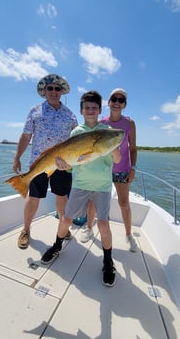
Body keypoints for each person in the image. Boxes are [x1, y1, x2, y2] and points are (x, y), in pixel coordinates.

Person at [41, 90, 121, 287]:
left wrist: (114, 146)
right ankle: (57, 246)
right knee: (66, 218)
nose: (91, 111)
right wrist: (64, 165)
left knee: (103, 224)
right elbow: (72, 163)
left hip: (102, 185)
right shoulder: (76, 132)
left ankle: (108, 261)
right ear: (82, 110)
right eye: (87, 108)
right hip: (80, 184)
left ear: (99, 110)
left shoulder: (108, 131)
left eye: (94, 108)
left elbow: (118, 160)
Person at [13, 74, 78, 249]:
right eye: (50, 88)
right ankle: (26, 230)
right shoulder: (35, 111)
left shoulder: (70, 115)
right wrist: (17, 157)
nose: (54, 92)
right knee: (33, 197)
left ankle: (63, 228)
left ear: (62, 92)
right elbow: (26, 136)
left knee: (62, 197)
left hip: (63, 165)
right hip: (39, 163)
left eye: (58, 89)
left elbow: (76, 141)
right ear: (44, 91)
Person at [80, 88, 138, 252]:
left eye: (121, 100)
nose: (117, 103)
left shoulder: (129, 123)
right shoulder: (101, 123)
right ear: (109, 102)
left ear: (124, 105)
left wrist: (133, 168)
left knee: (124, 203)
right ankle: (89, 228)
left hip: (122, 169)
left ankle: (128, 235)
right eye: (114, 99)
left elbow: (132, 149)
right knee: (93, 201)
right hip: (103, 169)